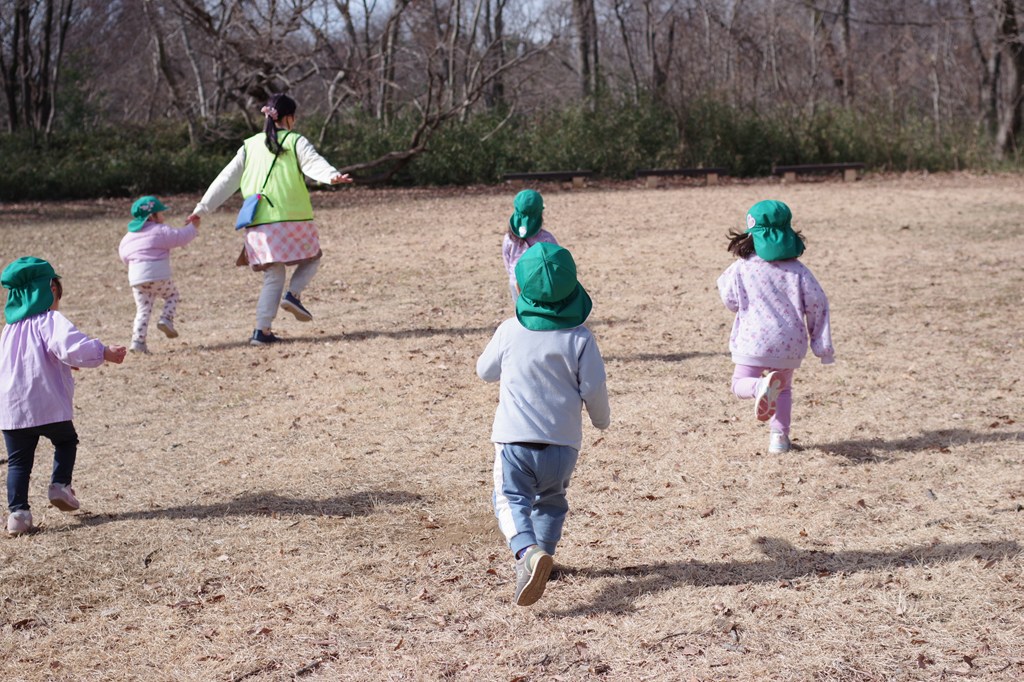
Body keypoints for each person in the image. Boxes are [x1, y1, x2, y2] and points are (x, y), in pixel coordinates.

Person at [477, 242, 610, 606]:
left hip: (514, 443)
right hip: (563, 446)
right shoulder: (581, 338)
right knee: (551, 501)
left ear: (521, 288)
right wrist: (601, 420)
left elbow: (484, 371)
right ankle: (545, 557)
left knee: (510, 498)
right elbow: (594, 387)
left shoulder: (509, 331)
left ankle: (527, 554)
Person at [187, 93, 353, 346]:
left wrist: (202, 208)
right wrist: (332, 176)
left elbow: (226, 179)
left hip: (258, 223)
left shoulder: (249, 146)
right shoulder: (295, 140)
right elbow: (313, 163)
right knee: (312, 258)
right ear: (289, 118)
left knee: (273, 275)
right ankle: (293, 295)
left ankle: (261, 331)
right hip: (294, 218)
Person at [1, 257, 127, 536]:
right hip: (47, 404)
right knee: (66, 440)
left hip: (12, 410)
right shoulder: (49, 320)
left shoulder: (9, 330)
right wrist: (104, 352)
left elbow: (21, 362)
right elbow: (70, 345)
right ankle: (60, 485)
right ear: (51, 290)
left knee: (19, 462)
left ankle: (18, 515)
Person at [717, 199, 834, 454]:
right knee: (783, 389)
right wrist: (821, 346)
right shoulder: (799, 271)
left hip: (753, 341)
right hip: (789, 345)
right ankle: (779, 439)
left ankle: (759, 386)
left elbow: (729, 299)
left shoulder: (741, 268)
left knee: (739, 384)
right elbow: (818, 304)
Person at [118, 196, 199, 354]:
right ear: (152, 216)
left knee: (143, 309)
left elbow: (124, 256)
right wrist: (193, 227)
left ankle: (138, 342)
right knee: (172, 296)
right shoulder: (160, 231)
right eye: (161, 213)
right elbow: (181, 238)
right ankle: (166, 319)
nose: (163, 216)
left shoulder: (128, 238)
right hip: (158, 275)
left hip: (137, 278)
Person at [502, 189, 558, 303]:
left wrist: (513, 276)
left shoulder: (508, 238)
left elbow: (507, 261)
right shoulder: (547, 239)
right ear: (540, 215)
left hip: (516, 281)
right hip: (541, 285)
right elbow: (557, 262)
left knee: (522, 313)